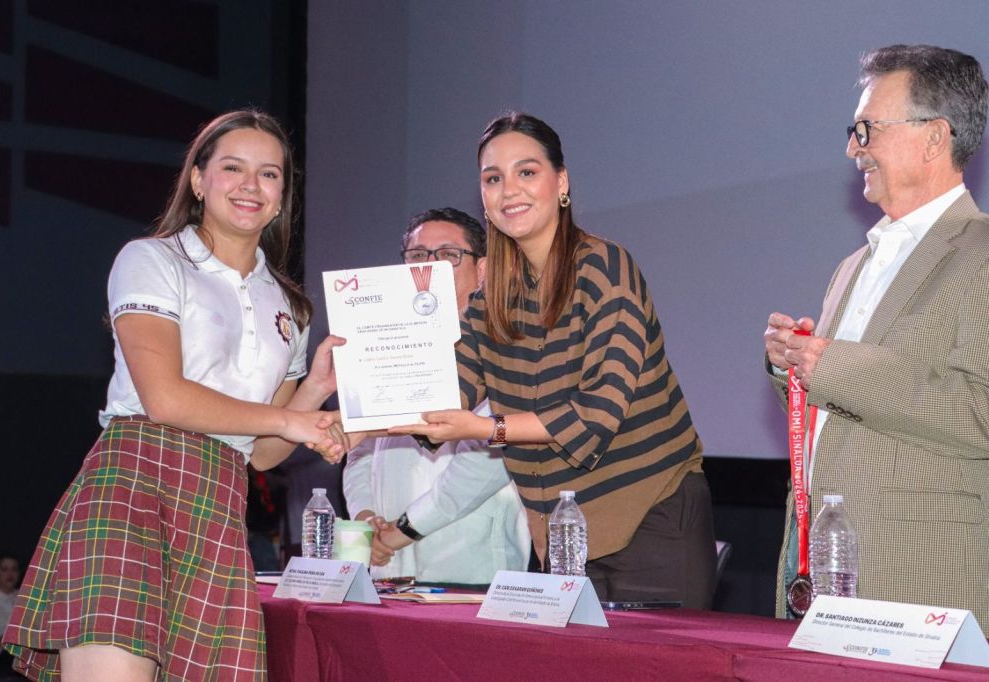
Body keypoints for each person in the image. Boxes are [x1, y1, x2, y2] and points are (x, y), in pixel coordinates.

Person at [1, 109, 347, 681]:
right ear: (198, 180)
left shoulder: (293, 308)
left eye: (269, 174)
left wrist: (313, 390)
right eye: (232, 167)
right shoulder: (151, 259)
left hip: (219, 511)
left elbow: (261, 452)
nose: (250, 185)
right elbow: (164, 398)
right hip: (134, 491)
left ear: (283, 196)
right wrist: (292, 422)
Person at [388, 113, 716, 606]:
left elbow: (597, 413)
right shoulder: (491, 294)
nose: (509, 190)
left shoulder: (605, 267)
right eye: (493, 179)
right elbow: (448, 385)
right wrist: (357, 409)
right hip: (560, 532)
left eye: (527, 172)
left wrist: (486, 429)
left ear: (561, 182)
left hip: (651, 517)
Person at [765, 45, 989, 622]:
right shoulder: (853, 266)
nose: (852, 148)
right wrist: (794, 365)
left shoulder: (981, 253)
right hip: (822, 570)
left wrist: (834, 366)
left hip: (918, 579)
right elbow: (844, 411)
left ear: (934, 138)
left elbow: (981, 413)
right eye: (853, 131)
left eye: (867, 130)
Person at [343, 208, 530, 584]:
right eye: (417, 255)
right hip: (385, 564)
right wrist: (366, 520)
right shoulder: (382, 343)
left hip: (469, 566)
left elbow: (487, 460)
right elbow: (359, 449)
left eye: (448, 255)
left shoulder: (507, 346)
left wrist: (402, 531)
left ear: (482, 269)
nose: (427, 268)